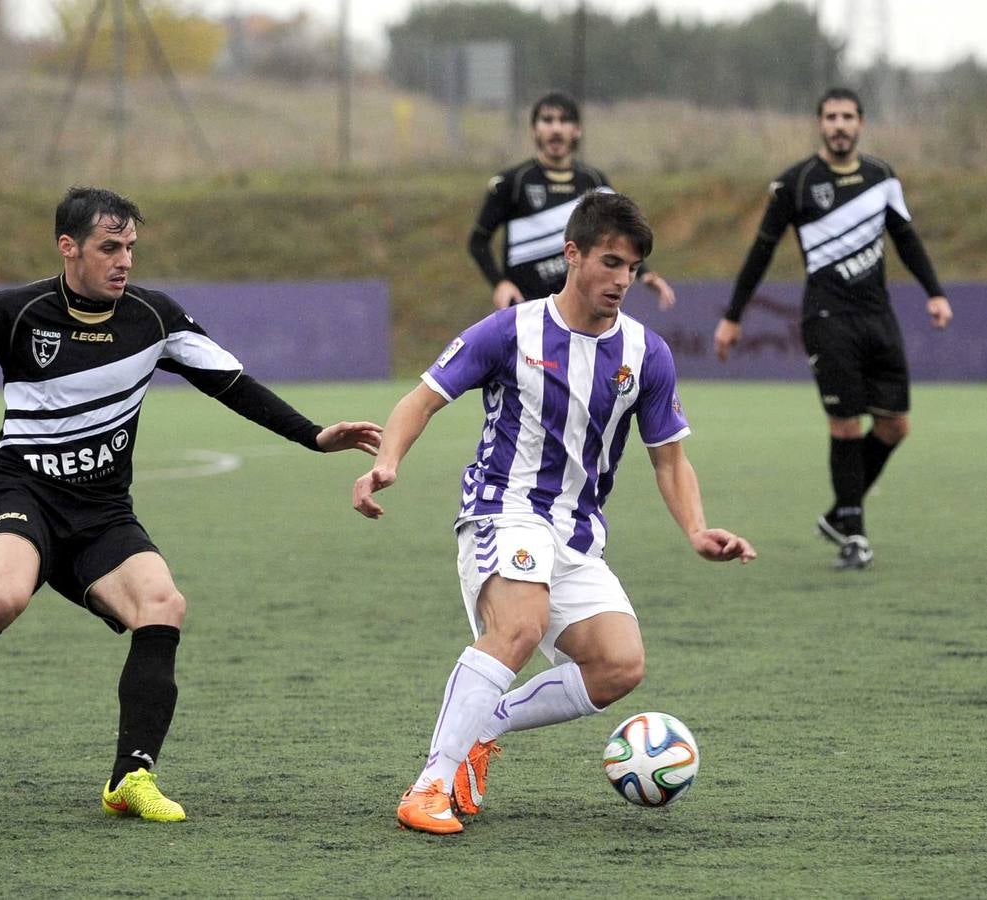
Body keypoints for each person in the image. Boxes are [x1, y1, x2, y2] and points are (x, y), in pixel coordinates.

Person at [0, 186, 382, 821]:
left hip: (100, 511)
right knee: (4, 595)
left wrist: (314, 436)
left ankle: (130, 779)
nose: (123, 261)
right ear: (68, 248)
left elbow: (232, 384)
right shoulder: (11, 312)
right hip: (18, 491)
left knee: (163, 605)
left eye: (130, 248)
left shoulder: (155, 318)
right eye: (108, 248)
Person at [354, 191, 755, 835]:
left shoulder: (645, 354)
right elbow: (421, 399)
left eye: (632, 268)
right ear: (573, 256)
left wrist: (697, 530)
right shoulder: (512, 329)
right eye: (611, 262)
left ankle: (482, 728)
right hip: (501, 509)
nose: (623, 280)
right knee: (519, 625)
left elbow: (670, 460)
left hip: (575, 534)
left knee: (619, 665)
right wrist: (387, 463)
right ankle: (428, 786)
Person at [713, 87, 952, 570]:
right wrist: (733, 315)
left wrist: (935, 291)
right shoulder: (796, 184)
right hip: (828, 318)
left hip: (878, 315)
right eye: (831, 117)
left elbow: (904, 237)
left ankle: (840, 512)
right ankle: (855, 535)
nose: (839, 125)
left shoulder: (882, 176)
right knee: (845, 425)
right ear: (820, 123)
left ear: (861, 123)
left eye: (847, 116)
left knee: (895, 424)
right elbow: (761, 253)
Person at [468, 91, 676, 311]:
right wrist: (500, 283)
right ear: (534, 130)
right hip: (526, 308)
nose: (556, 128)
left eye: (564, 120)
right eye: (547, 120)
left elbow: (622, 236)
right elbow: (478, 241)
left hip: (580, 310)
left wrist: (645, 275)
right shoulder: (513, 182)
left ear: (577, 130)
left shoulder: (594, 181)